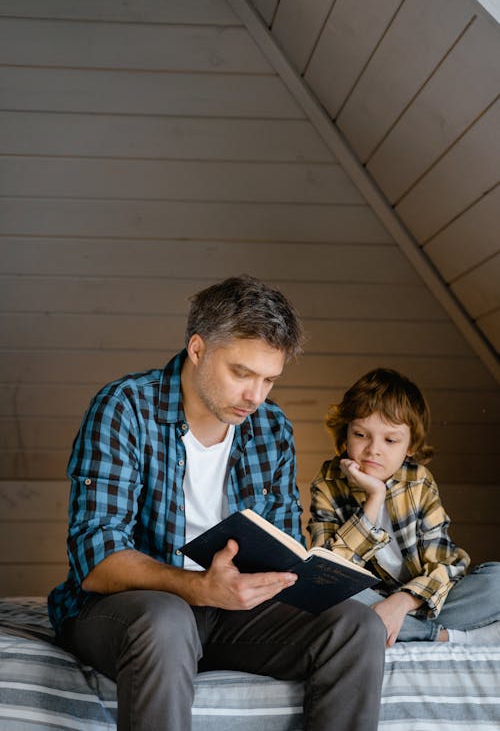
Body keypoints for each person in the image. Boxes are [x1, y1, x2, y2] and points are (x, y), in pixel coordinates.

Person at [48, 275, 386, 731]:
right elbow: (97, 558)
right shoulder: (124, 407)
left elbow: (284, 538)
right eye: (242, 373)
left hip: (229, 612)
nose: (256, 396)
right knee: (166, 620)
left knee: (358, 626)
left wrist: (297, 576)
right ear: (198, 348)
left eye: (269, 379)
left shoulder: (270, 426)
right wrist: (199, 587)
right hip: (134, 610)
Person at [308, 367, 500, 648]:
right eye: (361, 434)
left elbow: (445, 563)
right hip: (367, 599)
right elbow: (329, 572)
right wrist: (374, 498)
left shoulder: (418, 481)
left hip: (421, 600)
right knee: (328, 596)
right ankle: (445, 637)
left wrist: (401, 602)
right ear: (345, 434)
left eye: (390, 440)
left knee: (496, 581)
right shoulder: (327, 483)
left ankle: (398, 627)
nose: (374, 449)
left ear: (410, 446)